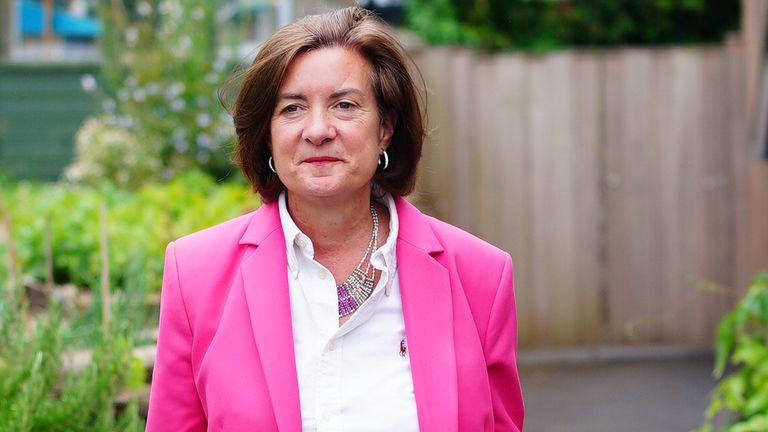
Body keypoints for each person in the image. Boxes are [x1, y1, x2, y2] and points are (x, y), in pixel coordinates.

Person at [145, 6, 524, 432]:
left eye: (344, 105)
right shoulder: (196, 274)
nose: (318, 129)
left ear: (385, 127)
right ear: (266, 133)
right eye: (292, 109)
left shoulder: (481, 277)